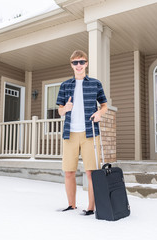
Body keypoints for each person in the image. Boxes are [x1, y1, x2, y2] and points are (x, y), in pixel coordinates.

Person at [56, 50, 108, 216]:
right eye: (75, 62)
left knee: (91, 172)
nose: (78, 65)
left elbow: (104, 105)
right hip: (70, 134)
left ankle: (91, 208)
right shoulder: (65, 85)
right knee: (69, 171)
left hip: (90, 133)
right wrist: (65, 108)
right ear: (71, 65)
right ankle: (71, 205)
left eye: (81, 62)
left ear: (86, 64)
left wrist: (99, 113)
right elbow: (59, 111)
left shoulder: (95, 83)